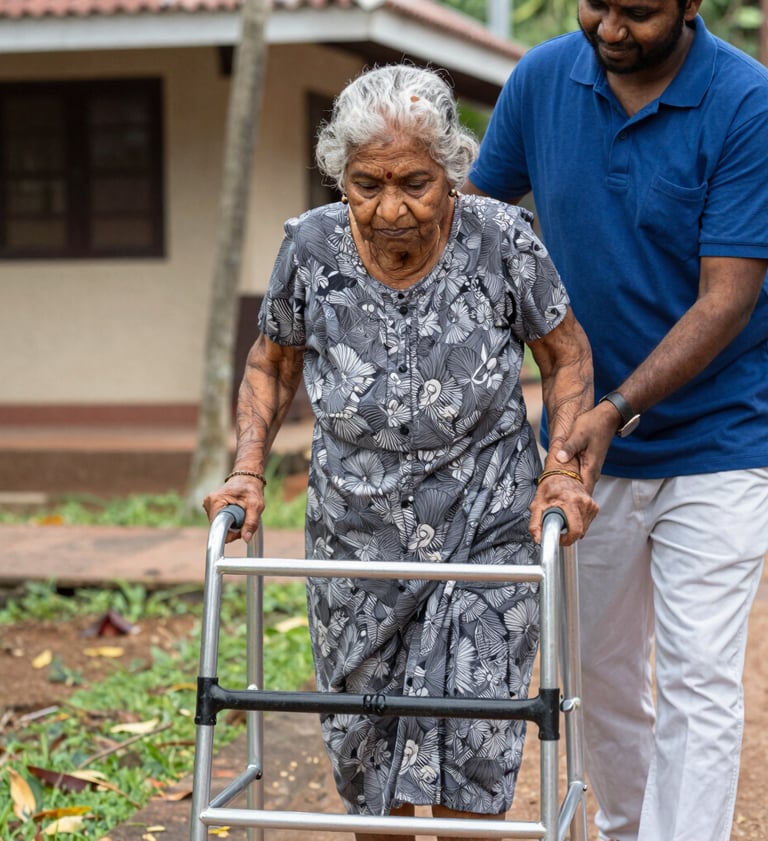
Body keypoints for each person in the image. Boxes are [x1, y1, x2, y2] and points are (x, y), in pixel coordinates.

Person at [203, 64, 598, 841]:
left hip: (485, 523)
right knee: (366, 747)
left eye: (415, 182)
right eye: (365, 184)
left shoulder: (503, 241)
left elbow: (567, 355)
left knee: (472, 732)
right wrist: (247, 468)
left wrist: (561, 469)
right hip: (354, 537)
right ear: (340, 179)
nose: (390, 208)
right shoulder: (309, 248)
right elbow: (272, 363)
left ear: (451, 170)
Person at [465, 2, 768, 840]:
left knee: (699, 676)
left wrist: (617, 406)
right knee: (596, 671)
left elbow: (729, 296)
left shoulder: (748, 103)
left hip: (721, 437)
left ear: (691, 5)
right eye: (596, 2)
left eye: (637, 11)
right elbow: (473, 226)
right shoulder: (539, 81)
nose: (610, 26)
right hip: (582, 446)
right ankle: (629, 829)